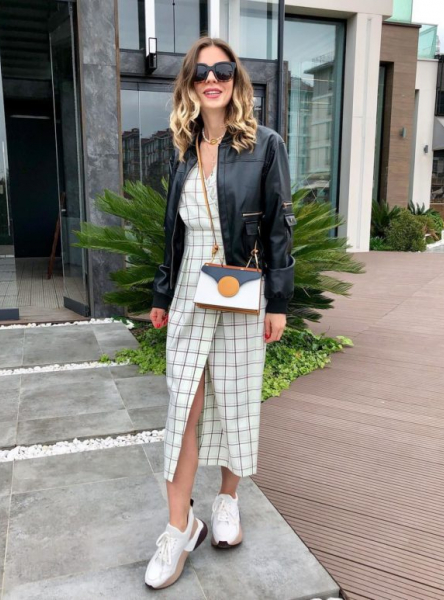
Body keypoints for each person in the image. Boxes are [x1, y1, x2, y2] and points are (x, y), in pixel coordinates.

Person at [145, 36, 295, 590]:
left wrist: (278, 301)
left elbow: (279, 227)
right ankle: (179, 528)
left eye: (223, 70)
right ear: (189, 83)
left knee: (235, 396)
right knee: (182, 404)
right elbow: (174, 232)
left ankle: (227, 500)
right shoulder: (182, 149)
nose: (213, 79)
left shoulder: (265, 144)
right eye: (202, 72)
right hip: (191, 286)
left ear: (236, 81)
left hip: (239, 284)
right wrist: (163, 293)